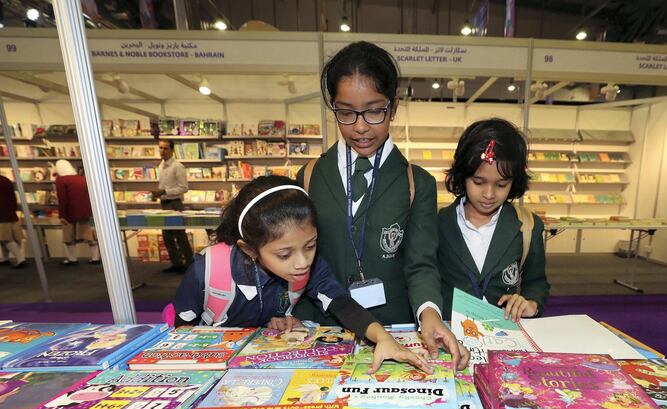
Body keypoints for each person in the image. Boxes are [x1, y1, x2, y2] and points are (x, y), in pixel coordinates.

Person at [296, 41, 467, 370]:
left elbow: (421, 264)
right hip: (322, 327)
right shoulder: (309, 177)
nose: (360, 126)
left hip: (395, 329)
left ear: (394, 106)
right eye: (346, 112)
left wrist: (429, 313)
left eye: (374, 111)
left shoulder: (417, 184)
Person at [172, 175, 431, 374]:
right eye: (284, 255)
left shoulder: (311, 266)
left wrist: (383, 338)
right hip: (209, 365)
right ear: (249, 249)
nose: (302, 262)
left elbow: (341, 303)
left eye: (310, 245)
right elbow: (181, 330)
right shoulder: (207, 269)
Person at [438, 118, 549, 321]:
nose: (489, 194)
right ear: (462, 176)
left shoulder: (527, 226)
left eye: (501, 185)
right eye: (478, 182)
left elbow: (537, 282)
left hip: (505, 336)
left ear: (514, 182)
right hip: (450, 336)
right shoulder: (437, 224)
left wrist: (531, 303)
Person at [152, 139, 193, 274]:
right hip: (164, 203)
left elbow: (184, 187)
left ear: (172, 150)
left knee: (180, 234)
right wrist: (158, 193)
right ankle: (176, 264)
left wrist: (165, 191)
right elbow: (162, 186)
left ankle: (189, 264)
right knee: (167, 236)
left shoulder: (177, 166)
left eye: (165, 148)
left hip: (175, 203)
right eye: (160, 148)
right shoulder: (160, 166)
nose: (162, 151)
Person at [54, 160, 100, 266]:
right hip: (87, 211)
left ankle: (72, 259)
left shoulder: (61, 180)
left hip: (70, 213)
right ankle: (95, 258)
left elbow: (63, 199)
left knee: (69, 237)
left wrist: (62, 215)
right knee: (90, 236)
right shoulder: (82, 178)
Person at [0, 174, 25, 268]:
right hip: (10, 212)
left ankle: (20, 259)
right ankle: (5, 258)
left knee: (5, 238)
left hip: (2, 215)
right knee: (5, 237)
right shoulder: (5, 179)